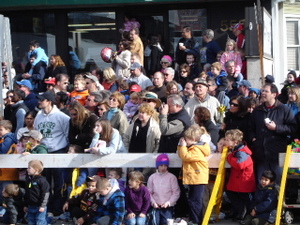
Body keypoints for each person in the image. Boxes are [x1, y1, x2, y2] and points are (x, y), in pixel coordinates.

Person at [249, 83, 296, 184]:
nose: (263, 93)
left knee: (278, 184)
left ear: (274, 94)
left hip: (277, 154)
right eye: (262, 91)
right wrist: (253, 138)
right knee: (261, 184)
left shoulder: (284, 109)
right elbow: (250, 128)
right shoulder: (257, 110)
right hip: (261, 153)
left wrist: (276, 128)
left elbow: (293, 128)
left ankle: (278, 200)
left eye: (266, 91)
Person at [34, 91, 70, 215]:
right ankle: (47, 207)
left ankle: (58, 208)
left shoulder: (62, 116)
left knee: (59, 182)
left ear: (49, 101)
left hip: (58, 151)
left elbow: (67, 134)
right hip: (44, 151)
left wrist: (64, 149)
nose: (39, 102)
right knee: (46, 182)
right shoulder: (38, 115)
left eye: (41, 100)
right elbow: (37, 132)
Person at [177, 124, 210, 225]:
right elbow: (181, 154)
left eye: (186, 139)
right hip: (194, 177)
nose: (185, 141)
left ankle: (196, 221)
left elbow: (186, 156)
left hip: (198, 177)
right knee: (192, 199)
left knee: (195, 201)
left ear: (192, 139)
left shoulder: (196, 149)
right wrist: (180, 145)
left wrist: (182, 146)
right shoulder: (192, 147)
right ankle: (194, 219)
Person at [224, 129, 256, 222]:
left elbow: (240, 164)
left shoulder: (242, 152)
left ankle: (248, 216)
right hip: (238, 179)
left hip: (244, 180)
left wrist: (229, 157)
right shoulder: (236, 150)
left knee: (246, 199)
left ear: (235, 142)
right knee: (231, 194)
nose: (225, 141)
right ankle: (239, 213)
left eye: (227, 140)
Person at [147, 154, 180, 225]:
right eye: (161, 165)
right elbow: (149, 192)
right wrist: (153, 202)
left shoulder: (172, 177)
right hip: (155, 206)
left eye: (165, 165)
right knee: (154, 222)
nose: (163, 167)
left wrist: (169, 202)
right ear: (157, 166)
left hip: (167, 206)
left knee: (166, 222)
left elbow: (176, 192)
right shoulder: (152, 177)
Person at [24, 160, 50, 225]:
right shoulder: (29, 180)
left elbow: (45, 194)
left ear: (36, 170)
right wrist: (26, 205)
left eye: (29, 168)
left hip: (39, 206)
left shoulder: (42, 181)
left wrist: (42, 206)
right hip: (31, 206)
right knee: (31, 221)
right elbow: (26, 194)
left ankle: (49, 219)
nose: (27, 169)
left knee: (40, 222)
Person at [0, 120, 18, 204]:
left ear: (8, 130)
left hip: (7, 171)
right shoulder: (3, 139)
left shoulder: (8, 139)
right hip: (3, 171)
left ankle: (7, 208)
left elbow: (3, 150)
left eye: (1, 130)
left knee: (7, 190)